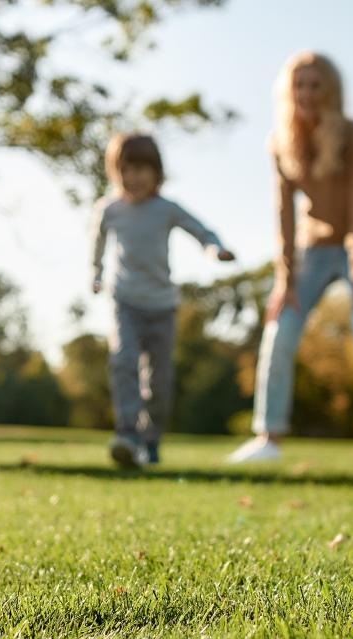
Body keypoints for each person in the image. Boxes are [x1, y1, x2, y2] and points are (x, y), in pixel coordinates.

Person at [226, 52, 353, 465]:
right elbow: (284, 217)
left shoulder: (349, 134)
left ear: (330, 91)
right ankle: (268, 436)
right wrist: (285, 282)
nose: (307, 93)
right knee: (281, 326)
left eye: (315, 85)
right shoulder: (280, 141)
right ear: (288, 92)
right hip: (314, 249)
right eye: (299, 85)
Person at [90, 133, 238, 468]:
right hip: (123, 299)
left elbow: (201, 230)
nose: (136, 177)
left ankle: (151, 437)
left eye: (144, 169)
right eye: (128, 169)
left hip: (161, 305)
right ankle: (127, 434)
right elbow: (97, 243)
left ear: (157, 172)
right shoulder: (109, 209)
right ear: (116, 172)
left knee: (158, 380)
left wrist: (214, 249)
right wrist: (96, 273)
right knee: (123, 360)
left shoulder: (166, 209)